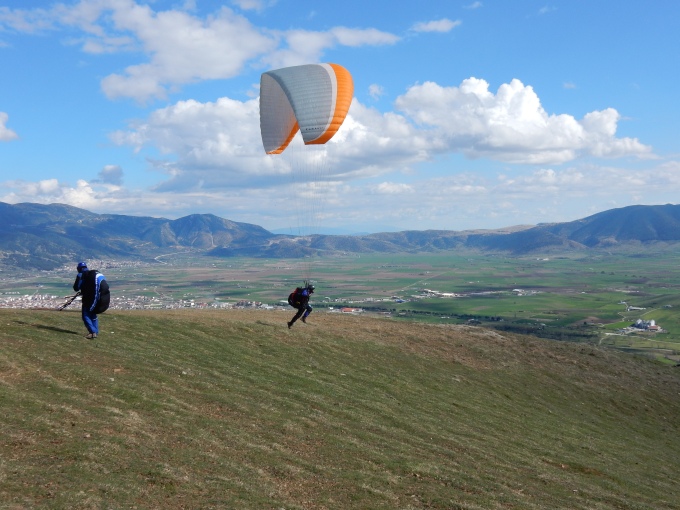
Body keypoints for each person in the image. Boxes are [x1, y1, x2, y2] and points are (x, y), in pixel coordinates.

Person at [72, 262, 109, 339]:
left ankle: (92, 332)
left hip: (89, 298)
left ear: (79, 269)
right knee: (93, 314)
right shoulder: (93, 274)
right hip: (99, 297)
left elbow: (76, 287)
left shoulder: (81, 275)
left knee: (85, 315)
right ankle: (95, 331)